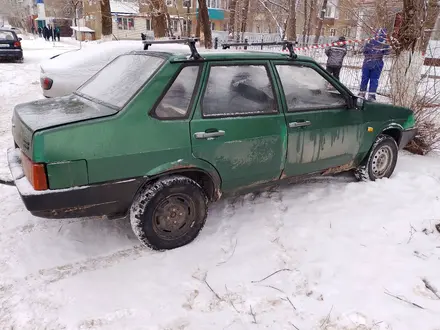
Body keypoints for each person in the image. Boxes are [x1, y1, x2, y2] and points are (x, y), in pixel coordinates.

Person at [359, 28, 391, 101]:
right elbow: (387, 52)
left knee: (364, 78)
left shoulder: (370, 41)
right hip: (377, 64)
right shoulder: (384, 43)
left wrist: (369, 56)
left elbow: (364, 51)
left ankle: (361, 93)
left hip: (367, 62)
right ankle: (371, 96)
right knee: (374, 80)